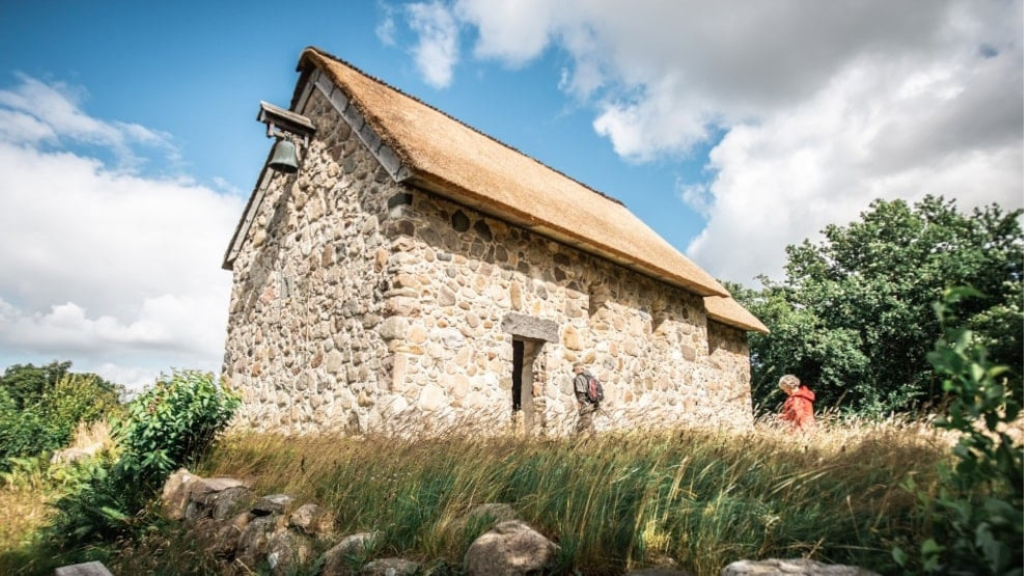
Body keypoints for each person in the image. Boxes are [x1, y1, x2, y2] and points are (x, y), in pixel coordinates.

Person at [572, 362, 599, 435]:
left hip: (585, 405)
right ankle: (580, 442)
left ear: (576, 369)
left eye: (574, 370)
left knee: (588, 425)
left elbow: (581, 392)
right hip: (592, 403)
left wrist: (580, 403)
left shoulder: (578, 378)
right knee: (581, 425)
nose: (574, 372)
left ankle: (596, 442)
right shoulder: (588, 376)